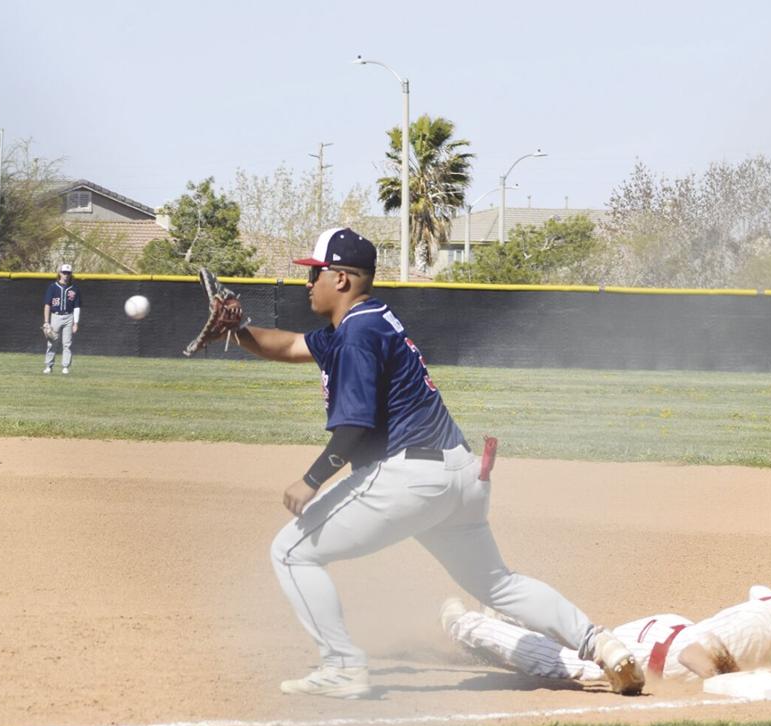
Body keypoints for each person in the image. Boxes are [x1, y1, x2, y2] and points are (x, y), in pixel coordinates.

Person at [228, 226, 643, 699]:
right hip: (460, 475)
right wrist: (237, 330)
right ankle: (602, 643)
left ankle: (342, 666)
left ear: (341, 279)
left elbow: (355, 426)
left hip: (411, 479)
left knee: (290, 551)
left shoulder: (357, 335)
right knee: (498, 584)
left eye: (315, 273)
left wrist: (311, 479)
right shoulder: (370, 321)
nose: (308, 282)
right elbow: (285, 345)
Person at [441, 566, 771, 685]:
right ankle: (465, 623)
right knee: (567, 662)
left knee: (580, 638)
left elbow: (759, 590)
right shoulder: (756, 628)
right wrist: (727, 684)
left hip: (666, 627)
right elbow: (693, 652)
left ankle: (507, 612)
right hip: (655, 657)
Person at [42, 264, 81, 374]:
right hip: (56, 316)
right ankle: (49, 366)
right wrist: (46, 322)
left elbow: (77, 307)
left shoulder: (74, 289)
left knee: (67, 343)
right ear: (59, 273)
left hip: (69, 316)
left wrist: (76, 323)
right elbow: (47, 305)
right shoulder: (53, 287)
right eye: (64, 272)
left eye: (68, 273)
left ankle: (65, 366)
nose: (66, 275)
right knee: (52, 341)